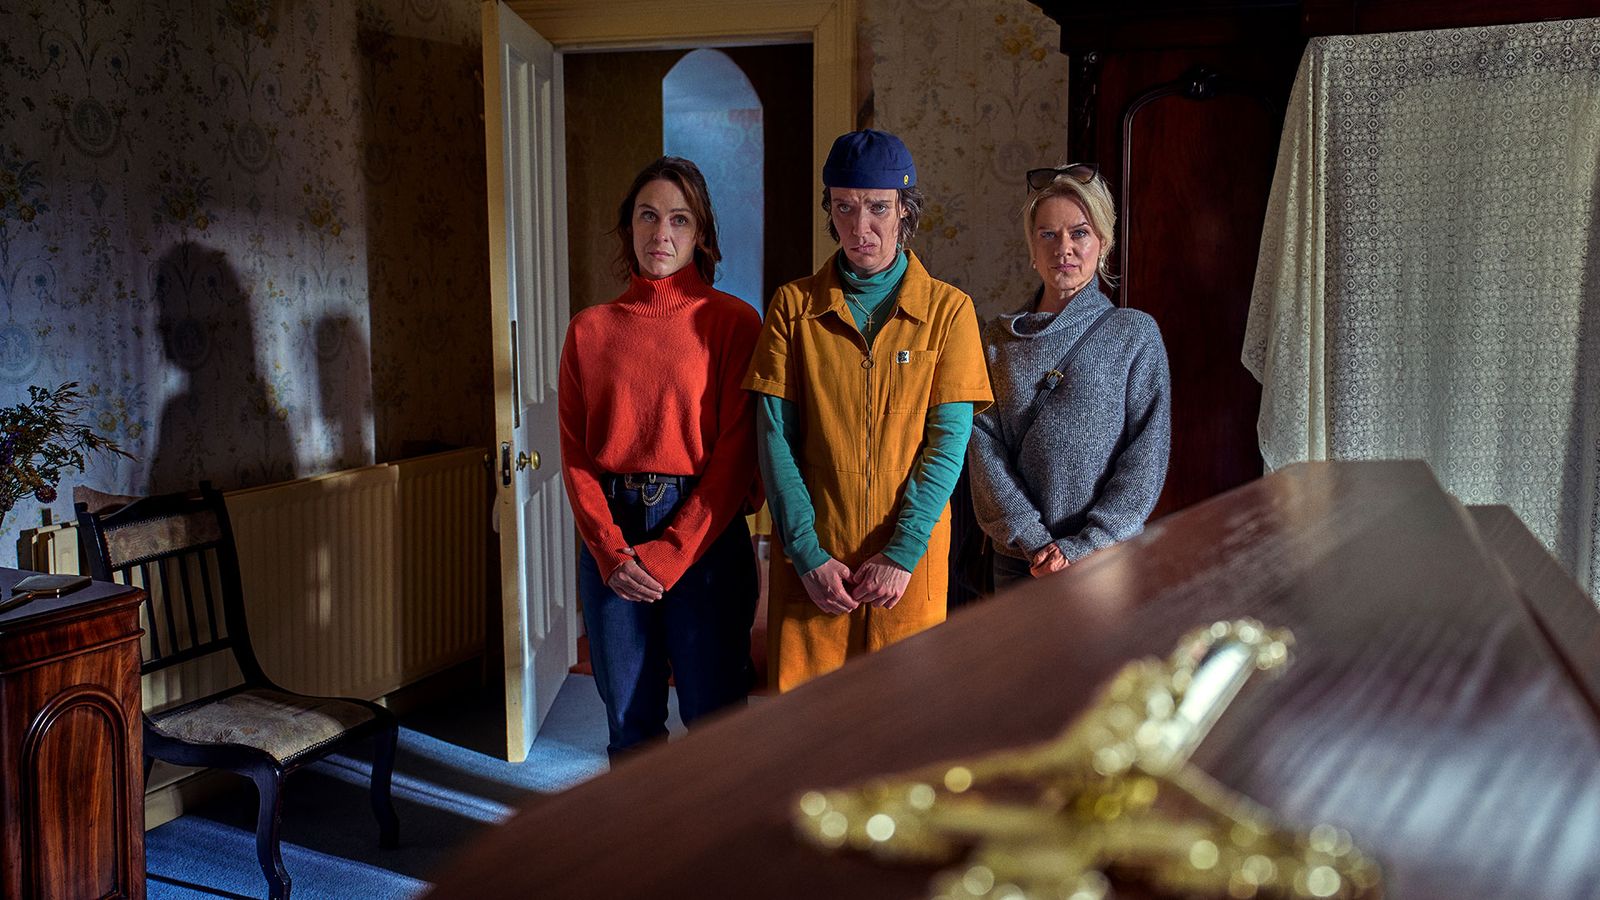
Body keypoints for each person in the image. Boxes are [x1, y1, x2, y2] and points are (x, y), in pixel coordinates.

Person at [744, 129, 992, 692]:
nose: (861, 228)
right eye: (845, 207)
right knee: (808, 725)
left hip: (907, 567)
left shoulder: (949, 312)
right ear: (829, 209)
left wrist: (902, 553)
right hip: (815, 563)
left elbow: (947, 445)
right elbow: (774, 441)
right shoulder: (793, 307)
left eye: (878, 207)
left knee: (902, 724)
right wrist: (807, 554)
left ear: (905, 209)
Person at [557, 156, 762, 760]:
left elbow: (738, 452)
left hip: (705, 530)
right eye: (648, 216)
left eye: (679, 219)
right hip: (612, 534)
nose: (661, 234)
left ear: (701, 235)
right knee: (630, 727)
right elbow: (575, 454)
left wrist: (673, 551)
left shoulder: (732, 322)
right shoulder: (589, 330)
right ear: (629, 227)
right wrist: (610, 551)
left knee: (715, 721)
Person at [967, 163, 1171, 590]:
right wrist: (1035, 542)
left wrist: (1083, 546)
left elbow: (1146, 459)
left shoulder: (1134, 334)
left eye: (1079, 233)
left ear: (1103, 242)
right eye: (1048, 234)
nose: (1064, 248)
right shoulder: (996, 341)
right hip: (1019, 562)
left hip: (1104, 560)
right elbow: (983, 450)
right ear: (1032, 248)